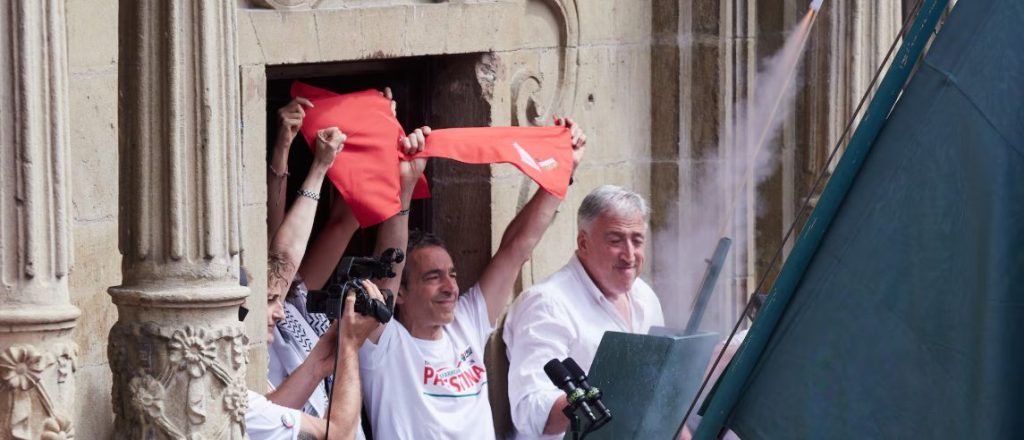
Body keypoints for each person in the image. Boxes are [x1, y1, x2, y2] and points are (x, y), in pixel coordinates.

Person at [357, 118, 588, 439]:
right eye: (433, 277)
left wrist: (563, 169)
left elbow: (516, 250)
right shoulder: (384, 346)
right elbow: (387, 273)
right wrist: (405, 188)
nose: (450, 287)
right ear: (403, 293)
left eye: (452, 274)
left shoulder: (465, 323)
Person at [247, 126, 381, 440]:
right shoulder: (243, 371)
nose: (279, 311)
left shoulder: (285, 305)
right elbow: (339, 434)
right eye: (269, 299)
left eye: (278, 297)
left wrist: (324, 165)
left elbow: (284, 256)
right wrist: (349, 348)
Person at [502, 185, 665, 440]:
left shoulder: (644, 296)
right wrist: (613, 392)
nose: (629, 255)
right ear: (583, 242)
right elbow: (531, 412)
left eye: (637, 240)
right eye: (615, 241)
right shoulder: (547, 303)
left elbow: (661, 395)